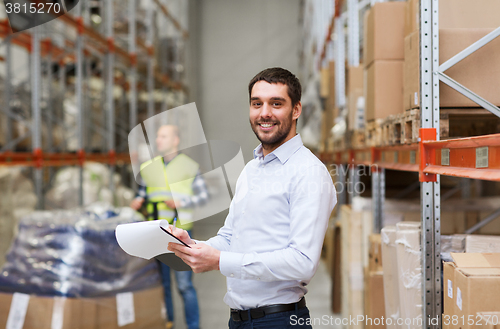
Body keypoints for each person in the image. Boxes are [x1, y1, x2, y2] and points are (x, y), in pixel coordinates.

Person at [166, 68, 337, 329]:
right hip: (239, 320)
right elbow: (230, 237)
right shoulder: (252, 169)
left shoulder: (309, 172)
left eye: (276, 103)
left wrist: (220, 261)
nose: (264, 113)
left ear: (296, 110)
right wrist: (194, 246)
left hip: (279, 321)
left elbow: (302, 262)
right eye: (257, 104)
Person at [130, 124, 207, 329]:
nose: (158, 140)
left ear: (175, 140)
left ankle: (193, 326)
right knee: (164, 285)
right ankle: (169, 324)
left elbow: (203, 197)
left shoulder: (190, 166)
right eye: (157, 137)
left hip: (180, 233)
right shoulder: (150, 167)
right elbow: (143, 194)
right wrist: (137, 201)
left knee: (184, 285)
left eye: (163, 136)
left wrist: (181, 203)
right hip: (157, 234)